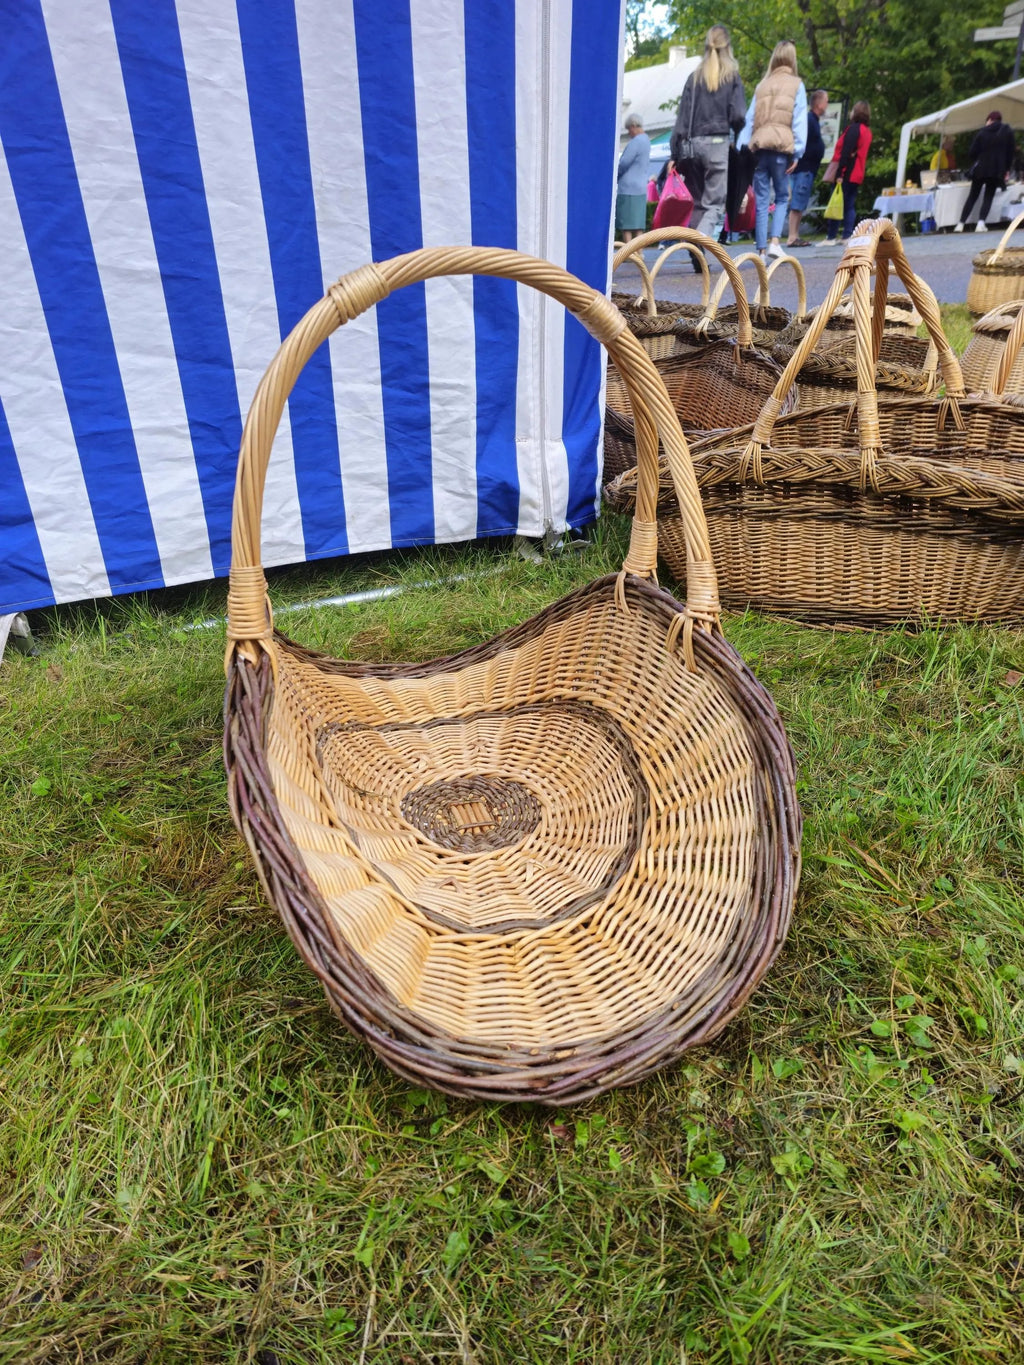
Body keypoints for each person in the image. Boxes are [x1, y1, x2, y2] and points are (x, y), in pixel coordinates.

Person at [669, 25, 746, 243]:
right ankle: (700, 241)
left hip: (692, 146)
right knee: (714, 204)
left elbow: (682, 119)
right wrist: (735, 136)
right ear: (727, 47)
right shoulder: (732, 77)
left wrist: (674, 155)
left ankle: (694, 246)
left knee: (697, 202)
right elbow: (739, 114)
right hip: (718, 143)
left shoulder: (693, 78)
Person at [737, 41, 807, 259]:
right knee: (782, 197)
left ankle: (760, 249)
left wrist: (743, 148)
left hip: (759, 147)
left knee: (761, 199)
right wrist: (797, 151)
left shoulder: (762, 86)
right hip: (781, 147)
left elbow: (749, 120)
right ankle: (775, 242)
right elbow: (799, 120)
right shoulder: (797, 84)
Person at [954, 111, 1016, 233]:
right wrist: (1006, 169)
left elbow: (972, 152)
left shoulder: (982, 132)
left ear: (989, 120)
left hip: (980, 169)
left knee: (973, 196)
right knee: (988, 196)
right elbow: (1010, 153)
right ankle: (981, 223)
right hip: (996, 170)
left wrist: (981, 157)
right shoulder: (1007, 132)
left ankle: (960, 224)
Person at [824, 100, 872, 243]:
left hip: (847, 172)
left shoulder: (853, 129)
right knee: (849, 205)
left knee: (836, 202)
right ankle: (847, 234)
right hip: (857, 173)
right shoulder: (867, 131)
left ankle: (831, 236)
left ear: (855, 112)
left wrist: (839, 174)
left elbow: (846, 152)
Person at [786, 88, 827, 246]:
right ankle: (792, 236)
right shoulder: (809, 120)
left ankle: (794, 235)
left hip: (807, 168)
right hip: (803, 168)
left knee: (800, 202)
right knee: (797, 201)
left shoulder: (813, 120)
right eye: (826, 101)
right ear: (819, 103)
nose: (827, 104)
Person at [615, 113, 651, 243]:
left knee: (627, 225)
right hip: (641, 187)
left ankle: (629, 252)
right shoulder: (646, 141)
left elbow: (624, 162)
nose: (629, 132)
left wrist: (615, 175)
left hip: (628, 188)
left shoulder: (636, 142)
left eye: (629, 129)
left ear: (634, 126)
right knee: (638, 224)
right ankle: (639, 251)